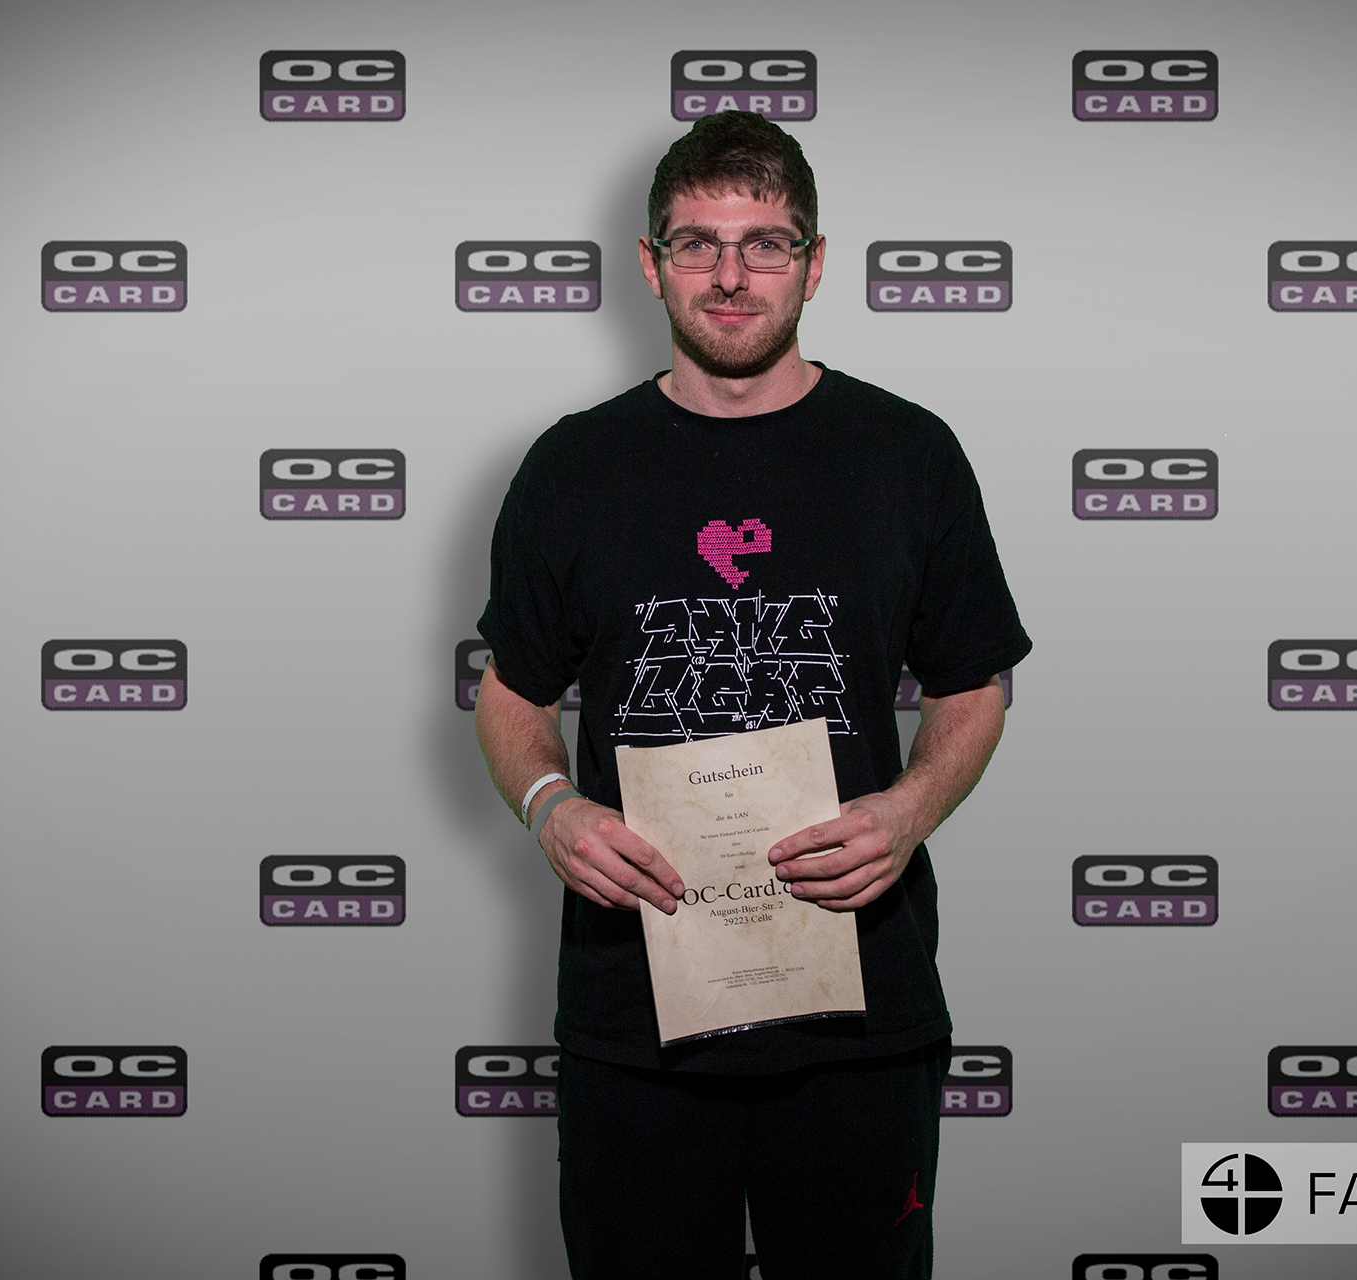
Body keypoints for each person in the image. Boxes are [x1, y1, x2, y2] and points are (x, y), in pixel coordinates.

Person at [472, 110, 1030, 1279]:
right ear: (651, 263)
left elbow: (973, 683)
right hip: (636, 1013)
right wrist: (548, 806)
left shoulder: (910, 454)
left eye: (766, 243)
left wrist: (911, 807)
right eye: (698, 243)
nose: (731, 276)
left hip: (860, 1008)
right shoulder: (572, 466)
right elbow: (511, 692)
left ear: (814, 264)